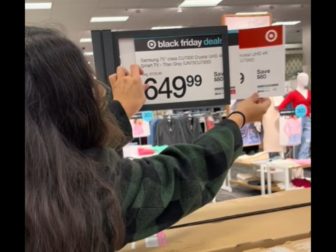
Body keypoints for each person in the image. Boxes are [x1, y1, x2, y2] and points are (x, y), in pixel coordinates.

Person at [25, 26, 271, 252]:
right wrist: (239, 117)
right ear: (71, 105)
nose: (99, 90)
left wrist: (121, 109)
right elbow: (187, 173)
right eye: (86, 85)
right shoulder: (94, 192)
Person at [278, 72, 311, 159]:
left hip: (307, 120)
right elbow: (281, 107)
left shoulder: (309, 93)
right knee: (298, 142)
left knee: (307, 140)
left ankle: (302, 160)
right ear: (298, 80)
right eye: (304, 79)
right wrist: (292, 115)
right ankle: (298, 162)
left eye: (307, 78)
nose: (306, 80)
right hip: (297, 120)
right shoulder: (293, 94)